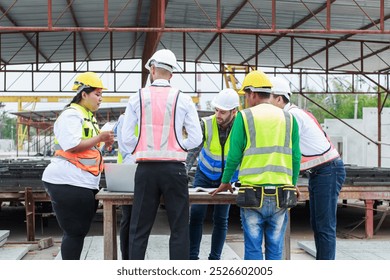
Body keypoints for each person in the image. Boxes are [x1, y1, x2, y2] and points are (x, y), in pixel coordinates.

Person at [120, 49, 202, 260]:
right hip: (175, 169)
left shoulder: (137, 97)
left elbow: (126, 137)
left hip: (146, 169)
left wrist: (140, 148)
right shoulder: (183, 99)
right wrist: (178, 146)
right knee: (179, 227)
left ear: (152, 69)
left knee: (139, 228)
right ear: (172, 75)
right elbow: (196, 138)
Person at [211, 70, 301, 260]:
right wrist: (292, 183)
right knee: (275, 249)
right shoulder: (289, 118)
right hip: (282, 193)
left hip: (252, 194)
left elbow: (234, 156)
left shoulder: (245, 117)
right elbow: (295, 157)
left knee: (252, 248)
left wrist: (225, 181)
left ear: (252, 93)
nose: (245, 99)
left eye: (245, 95)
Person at [269, 76, 346, 260]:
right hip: (320, 172)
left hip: (328, 170)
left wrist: (289, 180)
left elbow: (289, 152)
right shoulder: (294, 113)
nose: (267, 103)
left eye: (269, 98)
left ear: (279, 99)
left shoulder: (293, 116)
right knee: (318, 224)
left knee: (324, 226)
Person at [42, 71, 114, 260]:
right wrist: (99, 137)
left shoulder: (87, 116)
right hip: (68, 180)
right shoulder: (71, 115)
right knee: (75, 232)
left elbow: (87, 148)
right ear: (84, 94)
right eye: (97, 94)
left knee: (78, 232)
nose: (100, 99)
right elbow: (72, 145)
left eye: (101, 95)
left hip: (82, 181)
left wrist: (102, 143)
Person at [186, 88, 240, 260]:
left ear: (234, 111)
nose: (218, 114)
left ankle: (214, 260)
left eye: (223, 112)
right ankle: (192, 258)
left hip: (227, 179)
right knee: (195, 216)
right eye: (216, 110)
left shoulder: (242, 126)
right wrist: (183, 171)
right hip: (204, 175)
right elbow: (193, 151)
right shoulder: (206, 124)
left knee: (221, 219)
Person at [114, 113, 135, 260]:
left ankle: (135, 257)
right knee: (128, 217)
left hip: (145, 171)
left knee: (139, 219)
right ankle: (127, 259)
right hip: (128, 171)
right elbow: (126, 149)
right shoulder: (125, 119)